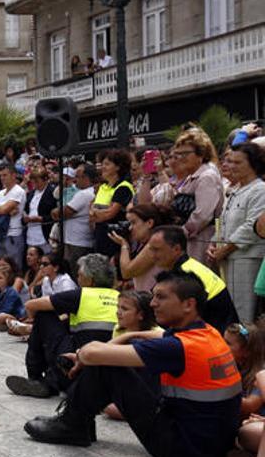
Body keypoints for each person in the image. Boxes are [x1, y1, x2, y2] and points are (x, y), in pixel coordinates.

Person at [23, 272, 242, 457]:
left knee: (106, 363)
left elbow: (92, 353)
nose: (153, 303)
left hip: (182, 449)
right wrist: (130, 336)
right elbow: (156, 335)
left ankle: (72, 425)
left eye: (161, 297)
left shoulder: (177, 348)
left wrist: (83, 354)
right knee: (124, 352)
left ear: (188, 304)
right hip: (210, 443)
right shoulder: (208, 333)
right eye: (153, 296)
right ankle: (76, 420)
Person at [5, 254, 119, 398]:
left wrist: (35, 326)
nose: (77, 278)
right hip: (111, 371)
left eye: (80, 275)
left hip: (77, 366)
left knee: (44, 315)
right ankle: (52, 380)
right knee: (67, 323)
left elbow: (31, 305)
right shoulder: (120, 297)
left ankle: (38, 380)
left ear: (90, 280)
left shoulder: (82, 294)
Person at [209, 143, 265, 323]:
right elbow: (223, 223)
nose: (230, 166)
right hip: (226, 259)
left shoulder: (260, 189)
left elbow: (252, 227)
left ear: (253, 164)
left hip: (247, 258)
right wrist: (213, 244)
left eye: (237, 162)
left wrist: (225, 249)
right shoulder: (234, 190)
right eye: (229, 161)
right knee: (230, 309)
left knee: (244, 312)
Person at [149, 225, 238, 332]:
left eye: (157, 250)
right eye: (151, 250)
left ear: (176, 249)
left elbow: (176, 315)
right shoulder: (188, 265)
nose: (152, 255)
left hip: (215, 335)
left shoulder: (185, 274)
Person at [155, 128, 224, 263]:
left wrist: (181, 234)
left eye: (185, 154)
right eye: (178, 154)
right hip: (191, 240)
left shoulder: (207, 176)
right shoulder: (192, 175)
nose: (180, 158)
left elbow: (203, 215)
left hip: (202, 240)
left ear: (201, 154)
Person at [108, 203, 175, 291]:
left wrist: (124, 245)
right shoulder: (143, 244)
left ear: (149, 223)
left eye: (133, 222)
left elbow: (127, 272)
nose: (130, 228)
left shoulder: (154, 246)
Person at [90, 149, 134, 258]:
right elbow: (91, 209)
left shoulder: (124, 187)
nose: (103, 167)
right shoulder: (103, 187)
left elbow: (110, 213)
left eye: (107, 164)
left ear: (118, 167)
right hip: (100, 235)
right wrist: (98, 214)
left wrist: (97, 214)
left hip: (114, 238)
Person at [0, 163, 26, 269]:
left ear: (13, 175)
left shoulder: (18, 191)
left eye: (5, 175)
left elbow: (3, 209)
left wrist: (1, 210)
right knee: (1, 267)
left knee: (14, 267)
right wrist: (4, 211)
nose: (2, 178)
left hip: (13, 234)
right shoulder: (0, 193)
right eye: (1, 175)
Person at [24, 168, 56, 255]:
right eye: (33, 181)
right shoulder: (31, 194)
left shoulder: (52, 192)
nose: (35, 184)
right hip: (31, 233)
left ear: (45, 179)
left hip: (45, 233)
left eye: (37, 181)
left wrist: (41, 219)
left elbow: (55, 215)